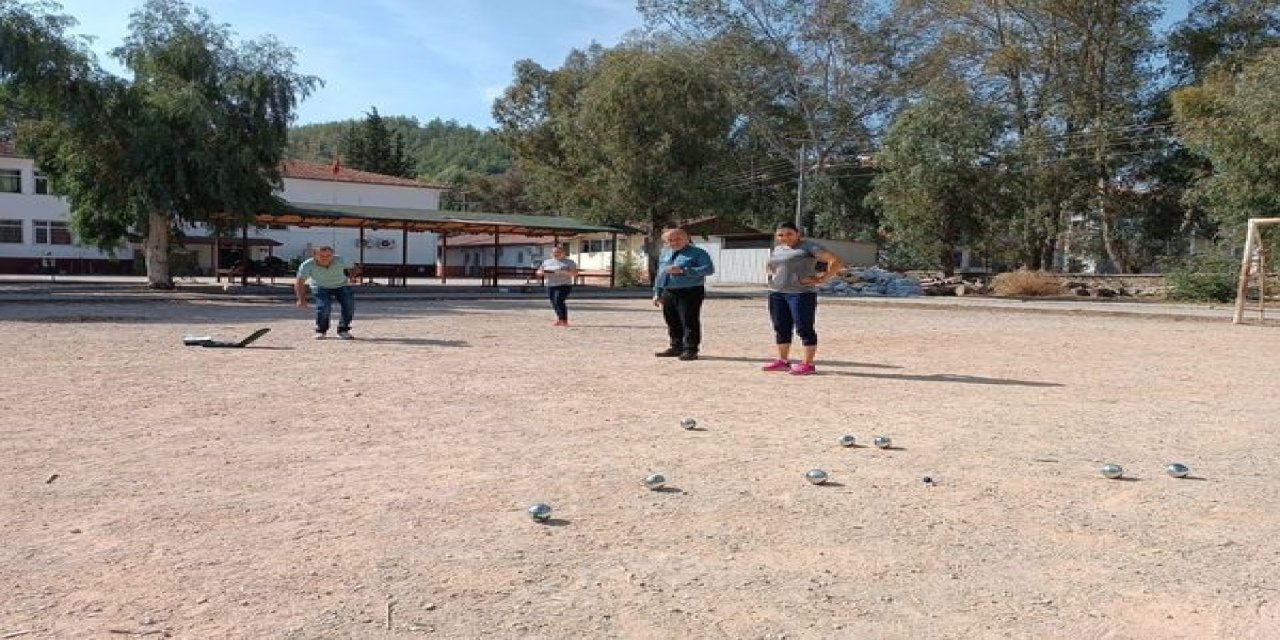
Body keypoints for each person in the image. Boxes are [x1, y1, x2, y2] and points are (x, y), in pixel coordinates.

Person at [762, 222, 844, 375]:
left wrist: (821, 279)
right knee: (781, 327)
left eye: (789, 234)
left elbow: (836, 261)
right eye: (781, 235)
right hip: (777, 293)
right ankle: (783, 361)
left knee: (804, 327)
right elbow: (772, 266)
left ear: (798, 234)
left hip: (801, 294)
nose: (785, 237)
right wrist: (773, 274)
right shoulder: (778, 249)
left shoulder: (809, 247)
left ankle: (808, 364)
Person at [652, 228, 715, 361]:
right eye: (670, 240)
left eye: (678, 239)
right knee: (672, 321)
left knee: (689, 321)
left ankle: (690, 349)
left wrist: (683, 270)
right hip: (668, 291)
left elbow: (708, 269)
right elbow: (660, 273)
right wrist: (657, 292)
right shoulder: (665, 253)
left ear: (687, 238)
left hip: (690, 291)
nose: (674, 242)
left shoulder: (698, 253)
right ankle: (676, 347)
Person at [294, 246, 361, 340]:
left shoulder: (341, 260)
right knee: (324, 306)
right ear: (315, 255)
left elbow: (355, 268)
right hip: (320, 286)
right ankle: (321, 331)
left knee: (349, 305)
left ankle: (343, 330)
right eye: (321, 255)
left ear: (333, 255)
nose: (325, 258)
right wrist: (301, 299)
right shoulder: (307, 265)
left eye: (328, 255)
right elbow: (299, 282)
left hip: (341, 285)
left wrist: (352, 275)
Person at [536, 244, 579, 326]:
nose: (556, 254)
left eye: (558, 252)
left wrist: (564, 272)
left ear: (563, 253)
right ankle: (560, 319)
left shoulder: (569, 262)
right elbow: (539, 271)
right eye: (554, 252)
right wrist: (540, 273)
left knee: (558, 300)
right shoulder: (547, 262)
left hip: (564, 285)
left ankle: (564, 320)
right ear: (551, 253)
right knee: (554, 303)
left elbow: (575, 273)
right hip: (550, 285)